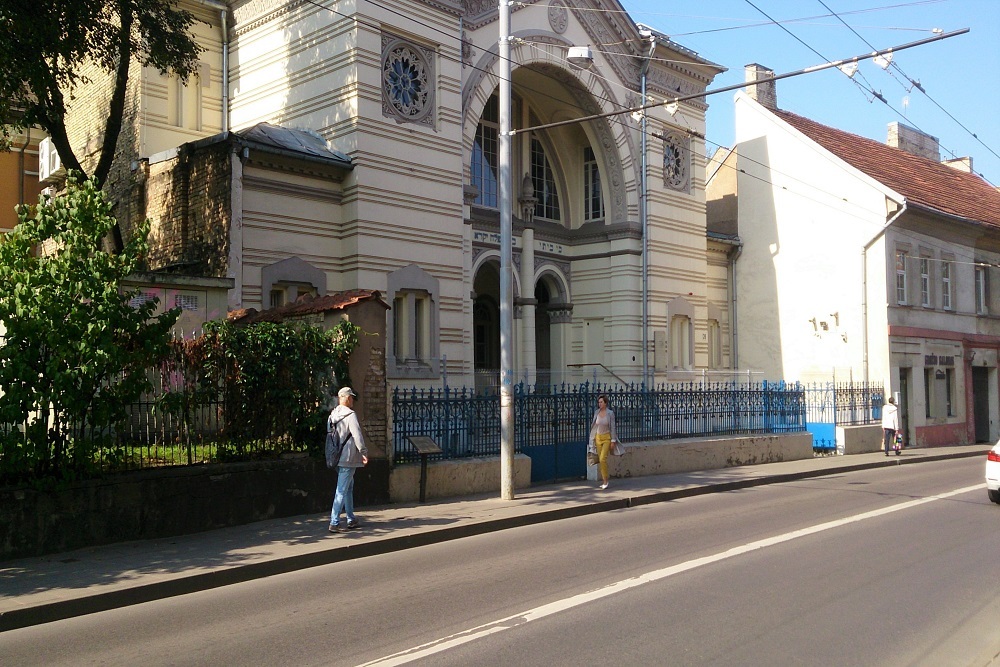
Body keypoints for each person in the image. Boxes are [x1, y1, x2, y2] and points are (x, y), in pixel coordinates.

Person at [328, 386, 368, 533]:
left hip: (336, 457)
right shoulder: (350, 415)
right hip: (349, 457)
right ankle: (334, 522)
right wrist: (363, 452)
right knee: (342, 489)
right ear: (345, 398)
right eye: (350, 397)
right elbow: (357, 435)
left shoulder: (332, 415)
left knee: (348, 488)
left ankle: (351, 518)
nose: (352, 400)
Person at [588, 394, 620, 490]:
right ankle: (603, 480)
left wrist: (613, 440)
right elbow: (594, 425)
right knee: (600, 460)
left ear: (605, 403)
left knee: (602, 459)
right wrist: (592, 438)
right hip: (598, 438)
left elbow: (613, 427)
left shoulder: (610, 413)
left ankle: (606, 481)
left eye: (601, 402)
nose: (600, 404)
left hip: (607, 438)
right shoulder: (596, 412)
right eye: (599, 402)